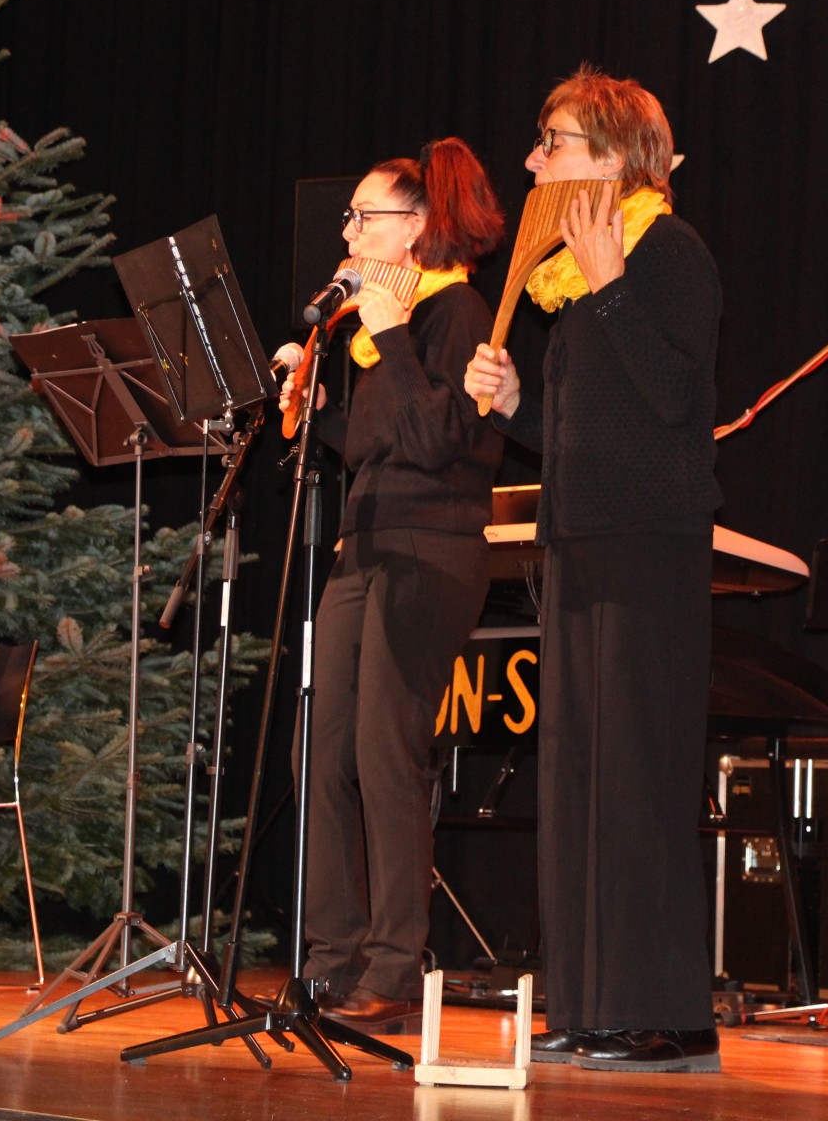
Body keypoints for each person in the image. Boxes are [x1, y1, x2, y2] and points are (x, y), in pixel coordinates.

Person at [464, 67, 722, 1071]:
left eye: (554, 142)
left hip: (647, 549)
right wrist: (515, 407)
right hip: (576, 546)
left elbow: (677, 404)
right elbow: (589, 433)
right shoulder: (571, 287)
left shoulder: (668, 252)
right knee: (576, 784)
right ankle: (588, 1004)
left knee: (636, 785)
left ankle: (660, 1016)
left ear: (614, 157)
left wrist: (612, 289)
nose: (534, 161)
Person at [279, 137, 506, 1033]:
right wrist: (318, 411)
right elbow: (381, 446)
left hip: (429, 550)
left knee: (386, 751)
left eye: (363, 216)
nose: (348, 232)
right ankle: (330, 958)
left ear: (415, 227)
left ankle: (394, 967)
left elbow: (443, 439)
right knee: (320, 749)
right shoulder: (385, 337)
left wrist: (391, 336)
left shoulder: (456, 311)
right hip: (362, 546)